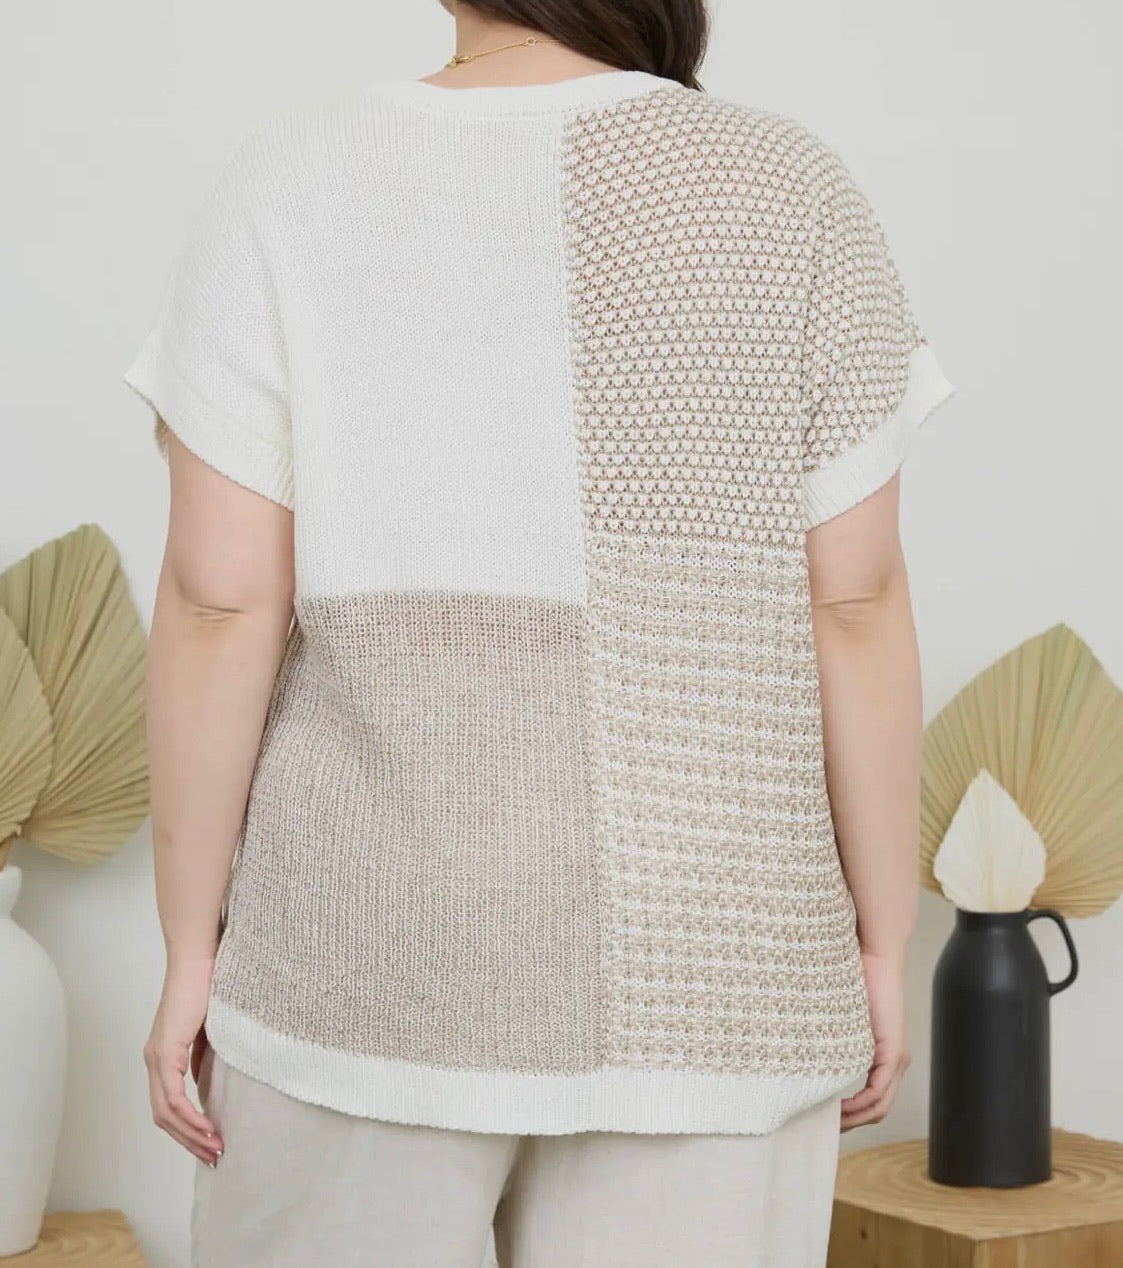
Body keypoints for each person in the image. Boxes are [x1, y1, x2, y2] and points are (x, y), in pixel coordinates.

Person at [124, 1, 955, 1264]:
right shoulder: (795, 188)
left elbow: (218, 596)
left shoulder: (292, 175)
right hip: (718, 976)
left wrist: (191, 946)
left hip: (366, 956)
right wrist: (884, 941)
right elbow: (854, 599)